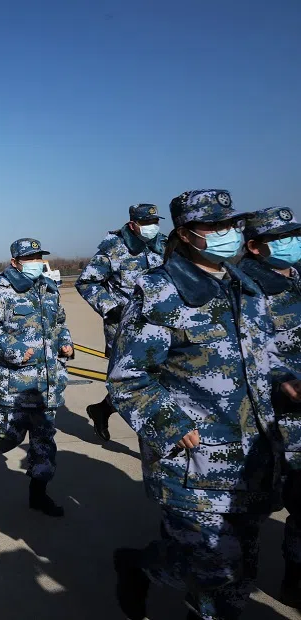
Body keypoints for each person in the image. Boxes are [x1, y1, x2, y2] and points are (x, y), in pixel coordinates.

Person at [108, 189, 301, 620]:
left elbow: (261, 353)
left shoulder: (243, 284)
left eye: (231, 224)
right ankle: (142, 567)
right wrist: (171, 426)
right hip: (193, 459)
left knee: (241, 571)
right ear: (187, 234)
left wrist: (286, 381)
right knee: (215, 567)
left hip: (253, 454)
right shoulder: (160, 293)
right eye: (214, 226)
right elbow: (128, 378)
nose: (227, 233)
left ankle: (198, 596)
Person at [0, 238, 73, 517]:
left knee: (44, 441)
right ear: (15, 262)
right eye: (30, 258)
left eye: (39, 257)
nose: (36, 262)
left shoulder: (49, 290)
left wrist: (65, 342)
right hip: (14, 382)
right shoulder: (1, 293)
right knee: (8, 435)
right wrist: (15, 351)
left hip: (47, 381)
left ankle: (38, 495)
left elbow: (60, 323)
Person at [236, 206, 301, 608]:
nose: (294, 244)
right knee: (254, 506)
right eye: (283, 239)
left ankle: (294, 575)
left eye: (296, 235)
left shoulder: (296, 279)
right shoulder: (242, 288)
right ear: (255, 247)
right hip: (273, 415)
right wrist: (282, 379)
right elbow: (242, 349)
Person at [75, 203, 167, 441]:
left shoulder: (165, 245)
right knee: (128, 382)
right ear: (132, 224)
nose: (151, 228)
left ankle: (103, 409)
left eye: (155, 223)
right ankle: (154, 437)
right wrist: (111, 307)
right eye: (146, 223)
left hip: (164, 325)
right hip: (126, 328)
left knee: (164, 379)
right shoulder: (113, 248)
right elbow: (87, 282)